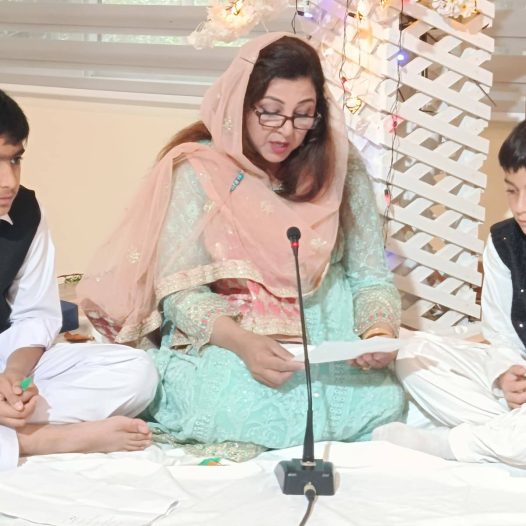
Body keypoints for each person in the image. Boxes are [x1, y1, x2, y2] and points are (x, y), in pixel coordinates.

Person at [77, 33, 405, 451]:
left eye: (303, 115)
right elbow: (180, 291)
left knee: (380, 403)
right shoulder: (199, 169)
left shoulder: (339, 166)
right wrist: (243, 344)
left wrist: (378, 332)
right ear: (240, 104)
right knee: (233, 409)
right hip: (237, 337)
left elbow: (370, 276)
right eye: (270, 112)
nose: (286, 130)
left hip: (329, 338)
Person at [0, 89, 158, 471]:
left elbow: (35, 315)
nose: (9, 181)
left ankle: (13, 420)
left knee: (137, 372)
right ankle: (41, 440)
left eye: (15, 160)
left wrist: (14, 380)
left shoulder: (27, 212)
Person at [373, 119, 526, 466]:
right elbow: (501, 332)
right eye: (512, 191)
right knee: (412, 354)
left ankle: (455, 444)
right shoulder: (504, 241)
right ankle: (505, 435)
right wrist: (507, 373)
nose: (519, 207)